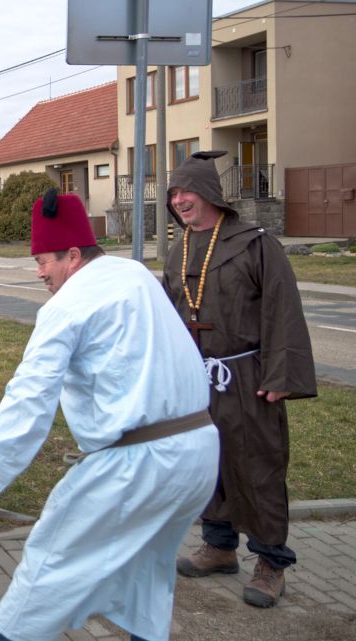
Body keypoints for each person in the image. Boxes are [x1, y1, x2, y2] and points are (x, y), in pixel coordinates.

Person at [0, 189, 219, 641]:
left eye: (43, 260)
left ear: (74, 255)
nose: (39, 272)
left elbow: (31, 391)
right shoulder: (135, 275)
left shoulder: (67, 304)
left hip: (137, 464)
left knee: (53, 558)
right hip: (197, 452)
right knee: (147, 569)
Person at [163, 151, 317, 609]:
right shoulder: (179, 248)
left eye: (187, 191)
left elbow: (282, 309)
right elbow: (168, 312)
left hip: (248, 376)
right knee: (206, 463)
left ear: (209, 193)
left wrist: (281, 373)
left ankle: (271, 562)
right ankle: (219, 545)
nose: (179, 200)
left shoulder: (256, 244)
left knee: (258, 466)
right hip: (197, 378)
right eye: (174, 193)